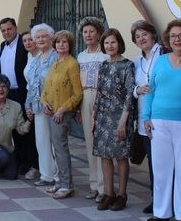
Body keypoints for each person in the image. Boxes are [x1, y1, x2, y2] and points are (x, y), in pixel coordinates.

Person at [142, 19, 181, 221]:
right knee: (161, 169)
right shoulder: (160, 61)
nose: (177, 40)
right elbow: (150, 90)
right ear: (168, 40)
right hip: (158, 121)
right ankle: (161, 211)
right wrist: (145, 117)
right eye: (173, 36)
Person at [92, 29, 136, 210]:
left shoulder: (128, 65)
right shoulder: (103, 65)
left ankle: (122, 194)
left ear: (119, 44)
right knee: (104, 155)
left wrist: (123, 121)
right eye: (106, 43)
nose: (110, 46)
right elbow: (99, 92)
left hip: (120, 116)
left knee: (121, 156)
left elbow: (129, 95)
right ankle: (108, 193)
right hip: (103, 116)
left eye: (113, 42)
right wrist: (94, 117)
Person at [41, 30, 83, 199]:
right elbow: (47, 87)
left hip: (62, 113)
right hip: (51, 112)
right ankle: (59, 181)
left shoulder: (72, 64)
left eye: (64, 42)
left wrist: (62, 109)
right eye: (58, 42)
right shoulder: (56, 63)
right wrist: (44, 102)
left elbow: (78, 93)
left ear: (70, 45)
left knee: (61, 148)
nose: (61, 45)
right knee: (56, 148)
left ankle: (66, 184)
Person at [131, 20, 164, 214]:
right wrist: (137, 90)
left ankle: (168, 199)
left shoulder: (165, 54)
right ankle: (156, 199)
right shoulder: (137, 61)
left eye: (144, 34)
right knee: (153, 161)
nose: (141, 39)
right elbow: (130, 87)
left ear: (153, 35)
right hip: (144, 119)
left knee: (165, 162)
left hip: (162, 115)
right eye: (137, 37)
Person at [0, 17, 38, 181]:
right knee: (15, 129)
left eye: (9, 29)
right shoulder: (3, 46)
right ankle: (21, 161)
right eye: (3, 30)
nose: (6, 33)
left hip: (23, 93)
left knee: (28, 130)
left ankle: (33, 164)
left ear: (15, 28)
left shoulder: (24, 43)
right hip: (9, 94)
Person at [76, 17, 110, 202]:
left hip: (101, 96)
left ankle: (105, 187)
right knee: (89, 142)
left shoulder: (104, 55)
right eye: (85, 32)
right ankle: (94, 185)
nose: (88, 35)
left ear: (98, 33)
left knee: (101, 142)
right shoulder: (80, 56)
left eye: (91, 31)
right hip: (84, 97)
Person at [25, 23, 59, 187]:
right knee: (42, 141)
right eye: (37, 37)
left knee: (56, 142)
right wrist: (28, 105)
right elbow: (31, 84)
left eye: (44, 36)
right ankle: (47, 174)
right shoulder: (36, 59)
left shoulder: (56, 57)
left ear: (51, 38)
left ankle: (59, 176)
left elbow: (59, 83)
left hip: (53, 107)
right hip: (38, 107)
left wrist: (50, 101)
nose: (40, 39)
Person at [20, 30, 41, 180]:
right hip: (30, 100)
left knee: (41, 137)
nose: (28, 43)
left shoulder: (42, 57)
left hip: (41, 101)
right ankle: (36, 166)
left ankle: (40, 167)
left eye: (30, 39)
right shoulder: (28, 56)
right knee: (32, 136)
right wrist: (28, 105)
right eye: (25, 40)